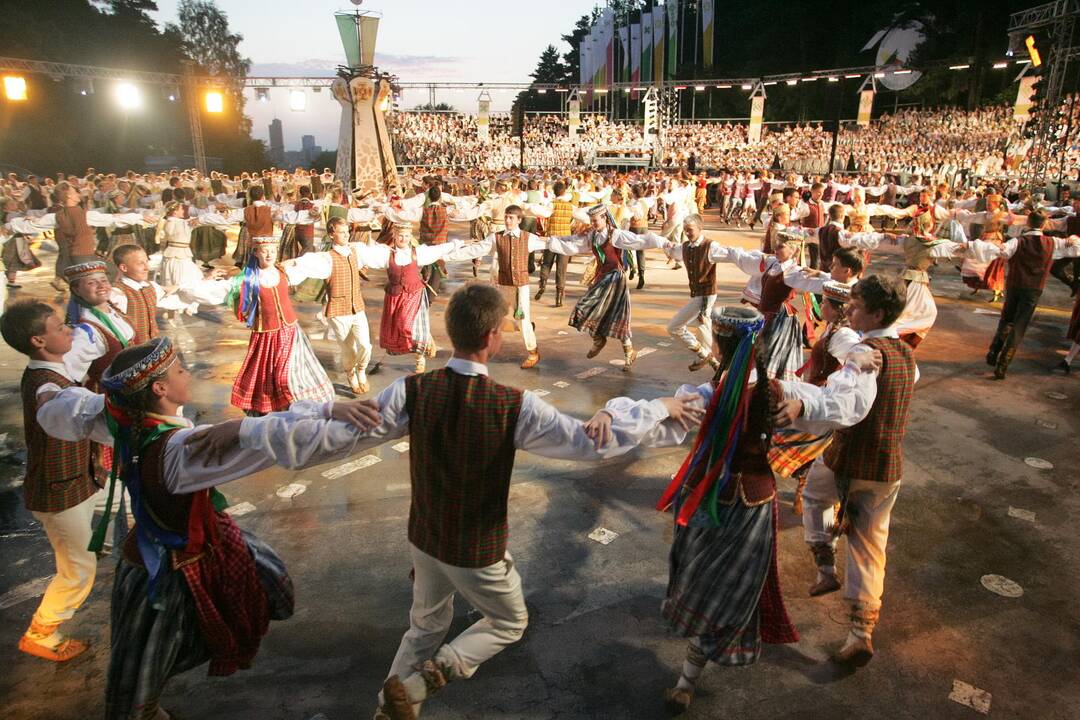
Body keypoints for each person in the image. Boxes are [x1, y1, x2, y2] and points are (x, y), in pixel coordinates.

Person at [196, 284, 703, 720]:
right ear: (491, 337)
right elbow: (591, 444)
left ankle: (388, 704)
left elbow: (328, 438)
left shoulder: (410, 391)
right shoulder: (516, 406)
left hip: (426, 535)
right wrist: (656, 406)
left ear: (453, 332)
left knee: (426, 623)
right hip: (474, 545)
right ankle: (427, 680)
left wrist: (247, 429)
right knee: (508, 621)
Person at [35, 337, 382, 720]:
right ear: (160, 388)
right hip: (169, 567)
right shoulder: (181, 450)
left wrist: (46, 389)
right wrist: (249, 429)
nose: (188, 372)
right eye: (180, 370)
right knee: (147, 668)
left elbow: (69, 406)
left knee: (149, 659)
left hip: (156, 551)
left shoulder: (123, 417)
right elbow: (280, 441)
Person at [655, 306, 800, 714]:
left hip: (717, 502)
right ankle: (687, 677)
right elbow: (816, 411)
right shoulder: (773, 389)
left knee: (704, 585)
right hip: (753, 500)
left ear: (721, 344)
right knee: (724, 589)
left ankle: (686, 679)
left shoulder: (718, 392)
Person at [773, 274, 916, 666]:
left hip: (851, 461)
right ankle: (860, 631)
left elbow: (847, 405)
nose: (849, 310)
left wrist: (805, 406)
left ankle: (824, 564)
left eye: (856, 306)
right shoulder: (903, 353)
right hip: (888, 467)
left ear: (878, 312)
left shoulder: (868, 357)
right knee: (870, 546)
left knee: (818, 495)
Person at [1, 301, 98, 663]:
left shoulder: (54, 366)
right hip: (59, 492)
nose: (69, 330)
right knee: (78, 569)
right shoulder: (47, 388)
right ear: (39, 340)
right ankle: (42, 632)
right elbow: (57, 402)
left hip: (77, 480)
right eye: (60, 327)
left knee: (120, 504)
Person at [223, 236, 335, 414]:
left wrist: (334, 255)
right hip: (266, 334)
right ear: (256, 252)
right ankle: (276, 405)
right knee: (268, 373)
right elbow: (223, 292)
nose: (269, 254)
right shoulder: (248, 279)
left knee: (288, 372)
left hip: (290, 331)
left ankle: (292, 402)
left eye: (273, 251)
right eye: (265, 251)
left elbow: (310, 265)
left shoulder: (284, 271)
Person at [547, 204, 668, 369]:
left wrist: (663, 242)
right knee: (584, 307)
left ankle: (628, 353)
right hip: (602, 277)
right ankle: (599, 339)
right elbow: (574, 244)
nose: (593, 223)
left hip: (616, 279)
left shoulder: (616, 235)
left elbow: (640, 240)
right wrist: (551, 242)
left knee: (618, 315)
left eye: (595, 220)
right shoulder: (592, 236)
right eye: (591, 220)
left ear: (605, 218)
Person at [973, 211, 1080, 378]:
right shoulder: (1052, 242)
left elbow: (1002, 252)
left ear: (1028, 224)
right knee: (1019, 326)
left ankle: (994, 352)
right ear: (1043, 225)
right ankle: (1003, 365)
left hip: (1015, 284)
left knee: (1006, 318)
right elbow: (1076, 251)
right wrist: (1073, 239)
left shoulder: (1018, 241)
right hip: (1034, 289)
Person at [466, 205, 549, 369]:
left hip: (521, 286)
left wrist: (579, 240)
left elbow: (551, 242)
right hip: (503, 284)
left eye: (511, 217)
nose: (507, 220)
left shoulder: (528, 238)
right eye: (506, 217)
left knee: (523, 318)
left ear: (519, 220)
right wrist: (451, 251)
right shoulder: (496, 237)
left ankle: (533, 352)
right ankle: (480, 349)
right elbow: (478, 248)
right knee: (493, 316)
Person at [662, 214, 724, 372]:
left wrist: (759, 259)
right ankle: (718, 363)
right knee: (703, 327)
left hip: (705, 295)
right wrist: (662, 243)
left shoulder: (711, 246)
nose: (687, 233)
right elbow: (673, 251)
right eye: (685, 230)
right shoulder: (685, 247)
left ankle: (706, 355)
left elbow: (731, 255)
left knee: (674, 327)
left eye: (690, 230)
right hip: (699, 294)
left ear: (700, 228)